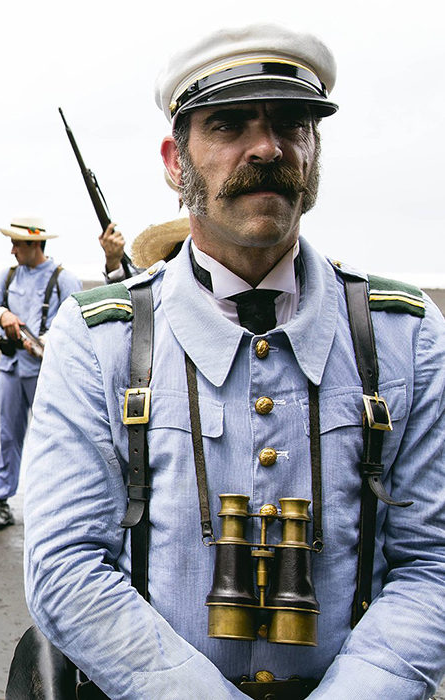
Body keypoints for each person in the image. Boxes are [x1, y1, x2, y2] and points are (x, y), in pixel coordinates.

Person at [23, 25, 445, 698]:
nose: (267, 148)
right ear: (174, 161)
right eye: (227, 125)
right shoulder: (101, 337)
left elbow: (432, 563)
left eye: (292, 124)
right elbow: (65, 566)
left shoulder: (405, 336)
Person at [0, 217, 81, 531]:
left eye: (17, 243)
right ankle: (1, 500)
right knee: (9, 437)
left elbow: (72, 327)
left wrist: (42, 342)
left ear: (35, 244)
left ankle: (57, 508)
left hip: (47, 374)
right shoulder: (7, 276)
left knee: (54, 439)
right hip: (10, 369)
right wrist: (2, 314)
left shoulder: (65, 279)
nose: (12, 250)